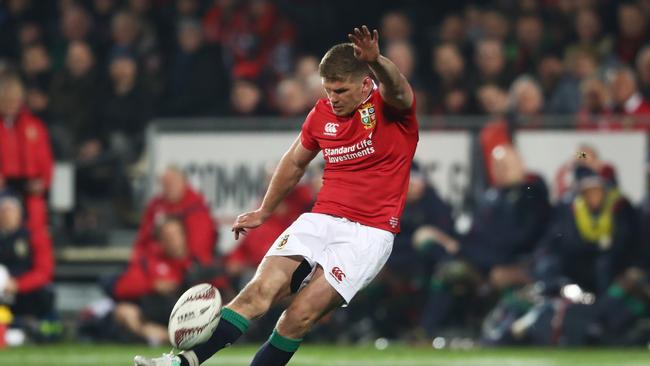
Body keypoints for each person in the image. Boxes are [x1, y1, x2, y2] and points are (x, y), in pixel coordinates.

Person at [135, 25, 417, 366]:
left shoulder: (390, 108)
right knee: (258, 292)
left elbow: (399, 88)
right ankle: (181, 363)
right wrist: (264, 210)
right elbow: (295, 161)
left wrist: (377, 61)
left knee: (297, 316)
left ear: (366, 83)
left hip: (368, 233)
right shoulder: (322, 114)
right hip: (320, 218)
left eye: (341, 90)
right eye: (329, 90)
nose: (334, 98)